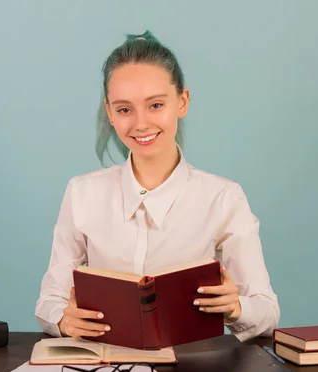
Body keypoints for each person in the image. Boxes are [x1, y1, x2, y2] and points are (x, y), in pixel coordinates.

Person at [35, 30, 279, 343]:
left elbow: (266, 310)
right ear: (109, 112)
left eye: (155, 105)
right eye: (124, 109)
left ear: (182, 101)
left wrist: (235, 308)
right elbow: (49, 301)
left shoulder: (222, 198)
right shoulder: (83, 193)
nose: (141, 124)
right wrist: (63, 320)